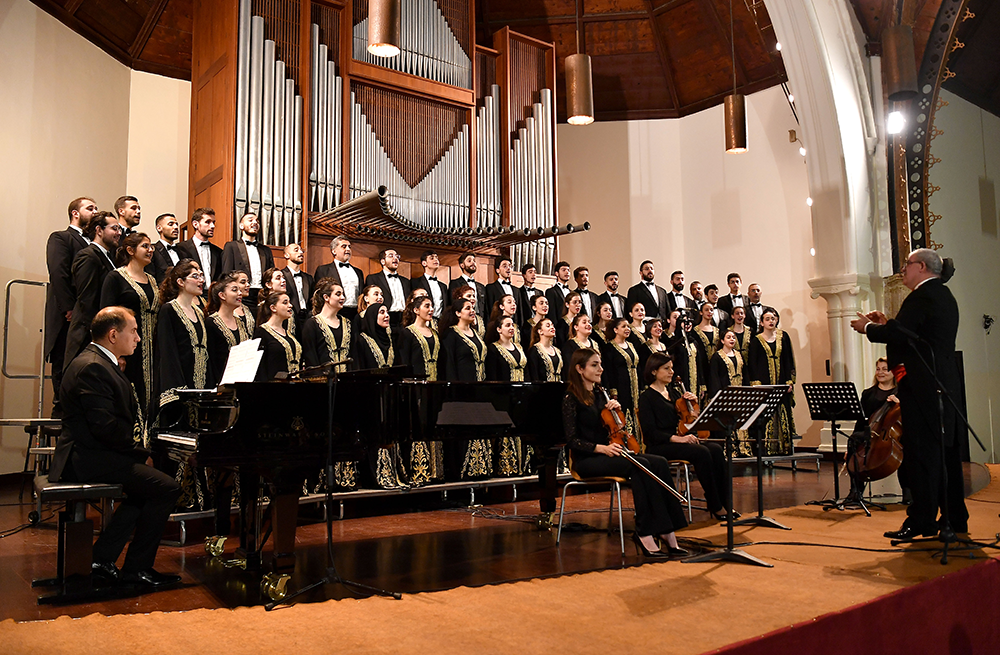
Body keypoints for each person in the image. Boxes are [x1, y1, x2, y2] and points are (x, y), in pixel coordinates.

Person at [48, 306, 182, 588]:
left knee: (147, 490)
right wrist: (141, 454)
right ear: (112, 334)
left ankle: (103, 558)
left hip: (95, 452)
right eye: (133, 331)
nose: (137, 338)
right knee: (167, 488)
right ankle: (136, 569)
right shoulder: (94, 367)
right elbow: (105, 428)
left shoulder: (100, 362)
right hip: (85, 458)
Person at [850, 248, 967, 540]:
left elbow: (901, 336)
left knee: (923, 457)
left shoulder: (922, 295)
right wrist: (886, 322)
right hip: (941, 385)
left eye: (907, 265)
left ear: (922, 267)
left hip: (924, 389)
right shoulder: (942, 295)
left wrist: (869, 328)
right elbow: (913, 333)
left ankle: (922, 521)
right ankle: (954, 518)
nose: (903, 270)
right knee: (945, 456)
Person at [563, 348, 688, 558]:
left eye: (600, 364)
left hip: (611, 453)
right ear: (579, 368)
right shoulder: (570, 398)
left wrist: (615, 410)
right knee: (640, 466)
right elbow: (571, 440)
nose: (600, 369)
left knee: (658, 462)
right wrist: (602, 448)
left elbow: (612, 428)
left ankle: (667, 530)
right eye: (594, 365)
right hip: (587, 459)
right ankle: (644, 532)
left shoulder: (600, 395)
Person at [639, 352, 736, 521]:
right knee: (701, 452)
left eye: (671, 368)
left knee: (715, 449)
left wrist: (692, 404)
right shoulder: (646, 398)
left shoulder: (675, 395)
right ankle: (715, 504)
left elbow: (687, 421)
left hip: (680, 440)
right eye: (666, 368)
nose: (671, 372)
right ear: (654, 371)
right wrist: (679, 439)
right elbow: (650, 433)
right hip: (661, 444)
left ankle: (726, 502)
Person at [46, 197, 97, 416]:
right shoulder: (62, 238)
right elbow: (59, 273)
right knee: (65, 366)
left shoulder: (95, 242)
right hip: (68, 316)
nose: (95, 212)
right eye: (90, 208)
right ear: (75, 213)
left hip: (89, 318)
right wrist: (69, 308)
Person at [100, 232, 159, 422]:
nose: (150, 250)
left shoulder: (152, 280)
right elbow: (107, 316)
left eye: (151, 247)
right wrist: (118, 354)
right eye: (145, 246)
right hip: (128, 349)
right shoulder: (116, 277)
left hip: (152, 349)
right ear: (130, 250)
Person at [156, 260, 213, 425]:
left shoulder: (199, 312)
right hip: (180, 383)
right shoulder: (169, 309)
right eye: (195, 276)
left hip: (199, 383)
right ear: (180, 282)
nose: (201, 280)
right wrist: (177, 390)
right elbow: (167, 351)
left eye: (201, 276)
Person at [440, 298, 492, 479]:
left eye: (473, 308)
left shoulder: (476, 333)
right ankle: (461, 473)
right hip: (461, 390)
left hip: (479, 390)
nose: (472, 310)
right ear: (457, 313)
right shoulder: (450, 335)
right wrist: (455, 390)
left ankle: (479, 470)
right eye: (467, 308)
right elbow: (449, 366)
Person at [64, 212, 120, 368]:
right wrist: (99, 336)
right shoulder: (88, 256)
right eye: (114, 228)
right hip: (86, 335)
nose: (119, 233)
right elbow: (87, 300)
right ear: (99, 230)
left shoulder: (110, 257)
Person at [398, 295, 443, 484]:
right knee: (418, 424)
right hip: (415, 386)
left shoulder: (435, 332)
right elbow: (404, 361)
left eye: (432, 306)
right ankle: (418, 471)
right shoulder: (407, 333)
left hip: (433, 385)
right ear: (416, 310)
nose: (431, 309)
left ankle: (435, 471)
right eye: (426, 306)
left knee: (433, 423)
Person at [851, 357, 907, 502]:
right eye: (878, 369)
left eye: (885, 369)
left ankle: (908, 492)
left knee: (907, 447)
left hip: (893, 434)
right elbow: (861, 419)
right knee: (854, 440)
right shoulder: (868, 393)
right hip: (871, 431)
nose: (880, 372)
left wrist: (900, 404)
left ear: (894, 372)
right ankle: (855, 491)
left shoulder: (902, 392)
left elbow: (910, 415)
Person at [747, 307, 796, 456]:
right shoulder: (756, 339)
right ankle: (767, 449)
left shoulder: (783, 336)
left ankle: (784, 447)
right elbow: (752, 363)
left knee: (782, 410)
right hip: (764, 382)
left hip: (781, 380)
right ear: (761, 322)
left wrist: (789, 380)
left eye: (773, 318)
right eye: (767, 319)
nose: (770, 321)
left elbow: (788, 360)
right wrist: (756, 384)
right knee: (766, 413)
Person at [486, 315, 529, 476]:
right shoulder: (493, 348)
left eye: (513, 325)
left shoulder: (519, 346)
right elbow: (493, 375)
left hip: (521, 396)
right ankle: (506, 467)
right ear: (499, 329)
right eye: (507, 325)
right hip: (504, 396)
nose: (512, 328)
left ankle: (522, 466)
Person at [708, 330, 752, 456]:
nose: (732, 339)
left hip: (740, 392)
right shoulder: (717, 356)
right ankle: (730, 449)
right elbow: (714, 377)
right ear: (722, 340)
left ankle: (742, 447)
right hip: (726, 393)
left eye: (733, 337)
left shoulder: (739, 355)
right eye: (728, 337)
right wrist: (718, 395)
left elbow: (745, 373)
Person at [221, 213, 274, 308]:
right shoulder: (231, 246)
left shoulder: (266, 250)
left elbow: (270, 274)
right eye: (250, 220)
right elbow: (227, 273)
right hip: (241, 295)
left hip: (262, 296)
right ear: (241, 226)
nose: (255, 222)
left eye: (257, 221)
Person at [602, 317, 642, 445]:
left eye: (628, 327)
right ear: (615, 330)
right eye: (623, 326)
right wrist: (613, 390)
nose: (627, 329)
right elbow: (609, 371)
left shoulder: (631, 345)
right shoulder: (609, 347)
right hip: (621, 387)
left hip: (635, 386)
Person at [301, 278, 353, 371]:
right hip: (323, 380)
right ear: (326, 297)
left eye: (343, 294)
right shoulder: (312, 324)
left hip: (346, 380)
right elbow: (311, 357)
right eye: (338, 294)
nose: (342, 298)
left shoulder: (347, 323)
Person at [206, 273, 252, 377]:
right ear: (222, 295)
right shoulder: (211, 322)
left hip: (242, 379)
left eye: (239, 290)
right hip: (221, 382)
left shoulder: (240, 321)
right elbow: (211, 359)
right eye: (234, 290)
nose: (239, 293)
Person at [254, 290, 302, 381]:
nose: (290, 305)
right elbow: (260, 368)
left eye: (289, 302)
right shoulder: (261, 332)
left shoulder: (288, 333)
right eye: (285, 302)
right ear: (273, 308)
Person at [313, 236, 364, 320]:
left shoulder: (358, 272)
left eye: (349, 247)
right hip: (334, 312)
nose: (348, 249)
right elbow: (319, 295)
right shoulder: (323, 270)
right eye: (344, 246)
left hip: (356, 313)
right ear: (334, 251)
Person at [365, 248, 410, 328]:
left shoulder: (406, 281)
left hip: (404, 319)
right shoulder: (373, 278)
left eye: (397, 256)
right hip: (386, 317)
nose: (395, 258)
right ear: (383, 261)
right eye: (391, 256)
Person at [176, 208, 223, 282]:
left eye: (213, 222)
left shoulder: (218, 251)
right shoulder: (181, 248)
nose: (212, 226)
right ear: (195, 224)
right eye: (207, 222)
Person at [410, 249, 449, 319]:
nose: (436, 260)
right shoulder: (415, 282)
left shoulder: (443, 286)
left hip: (440, 321)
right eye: (432, 258)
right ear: (424, 263)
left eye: (437, 258)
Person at [281, 243, 313, 324]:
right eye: (296, 250)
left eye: (301, 250)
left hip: (307, 319)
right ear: (286, 255)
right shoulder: (281, 276)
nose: (301, 252)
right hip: (289, 318)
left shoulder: (308, 278)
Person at [448, 252, 486, 320]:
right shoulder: (455, 283)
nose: (473, 263)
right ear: (462, 265)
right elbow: (454, 304)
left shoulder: (481, 286)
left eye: (474, 261)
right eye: (469, 261)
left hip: (479, 320)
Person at [485, 257, 523, 325]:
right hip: (498, 325)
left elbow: (520, 312)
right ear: (497, 270)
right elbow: (489, 310)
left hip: (514, 326)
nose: (508, 268)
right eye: (504, 266)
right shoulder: (490, 288)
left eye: (510, 266)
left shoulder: (516, 290)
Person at [148, 213, 181, 284]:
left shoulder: (183, 250)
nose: (176, 227)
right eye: (170, 224)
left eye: (176, 224)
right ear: (159, 228)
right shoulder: (152, 251)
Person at [526, 317, 563, 382]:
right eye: (548, 326)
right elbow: (534, 375)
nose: (552, 327)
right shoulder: (534, 351)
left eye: (552, 325)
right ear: (540, 331)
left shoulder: (557, 351)